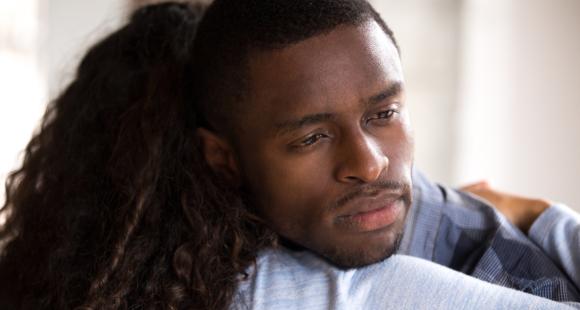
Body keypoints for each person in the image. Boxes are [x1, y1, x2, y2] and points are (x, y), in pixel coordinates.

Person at [0, 1, 578, 309]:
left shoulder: (449, 245)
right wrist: (542, 215)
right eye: (309, 137)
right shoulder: (260, 279)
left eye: (385, 113)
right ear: (219, 158)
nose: (371, 163)